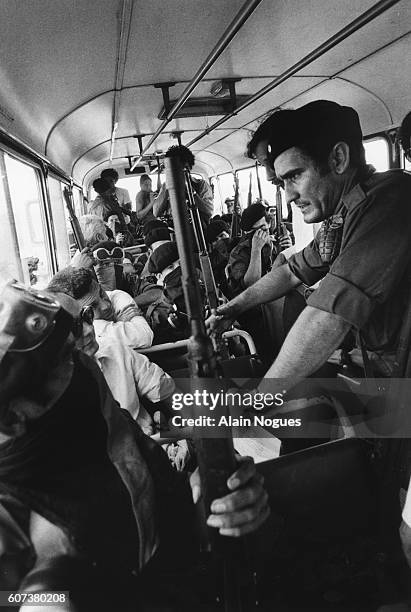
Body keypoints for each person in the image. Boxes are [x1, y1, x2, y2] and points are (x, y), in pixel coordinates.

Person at [0, 280, 269, 609]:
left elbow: (169, 510)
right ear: (13, 417)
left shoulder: (98, 416)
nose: (82, 354)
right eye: (62, 361)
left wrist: (218, 499)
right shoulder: (14, 521)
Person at [208, 100, 411, 383]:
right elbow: (291, 272)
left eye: (294, 176)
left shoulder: (387, 201)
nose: (289, 195)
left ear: (338, 159)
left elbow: (330, 316)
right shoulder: (341, 217)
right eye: (282, 183)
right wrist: (234, 308)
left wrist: (261, 399)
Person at [47, 271, 174, 434]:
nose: (88, 330)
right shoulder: (50, 400)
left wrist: (200, 430)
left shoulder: (114, 350)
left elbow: (166, 390)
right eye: (75, 327)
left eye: (88, 316)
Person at [48, 267, 153, 350]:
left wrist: (105, 329)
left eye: (102, 293)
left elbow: (144, 336)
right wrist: (116, 321)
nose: (106, 306)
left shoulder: (117, 296)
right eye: (92, 307)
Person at [153, 145, 214, 227]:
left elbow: (208, 212)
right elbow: (156, 212)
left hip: (197, 229)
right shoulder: (166, 186)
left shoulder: (201, 185)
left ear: (188, 167)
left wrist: (191, 191)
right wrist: (167, 188)